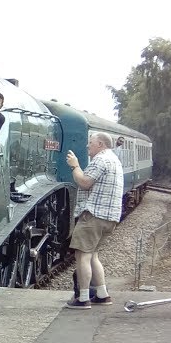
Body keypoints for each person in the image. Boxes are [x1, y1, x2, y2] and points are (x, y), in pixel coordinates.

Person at [63, 132, 124, 309]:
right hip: (109, 218)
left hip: (94, 216)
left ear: (100, 144)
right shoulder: (114, 160)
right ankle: (103, 294)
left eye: (91, 143)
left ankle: (83, 299)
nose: (88, 146)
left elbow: (84, 182)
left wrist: (75, 166)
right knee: (93, 255)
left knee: (82, 255)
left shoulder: (100, 160)